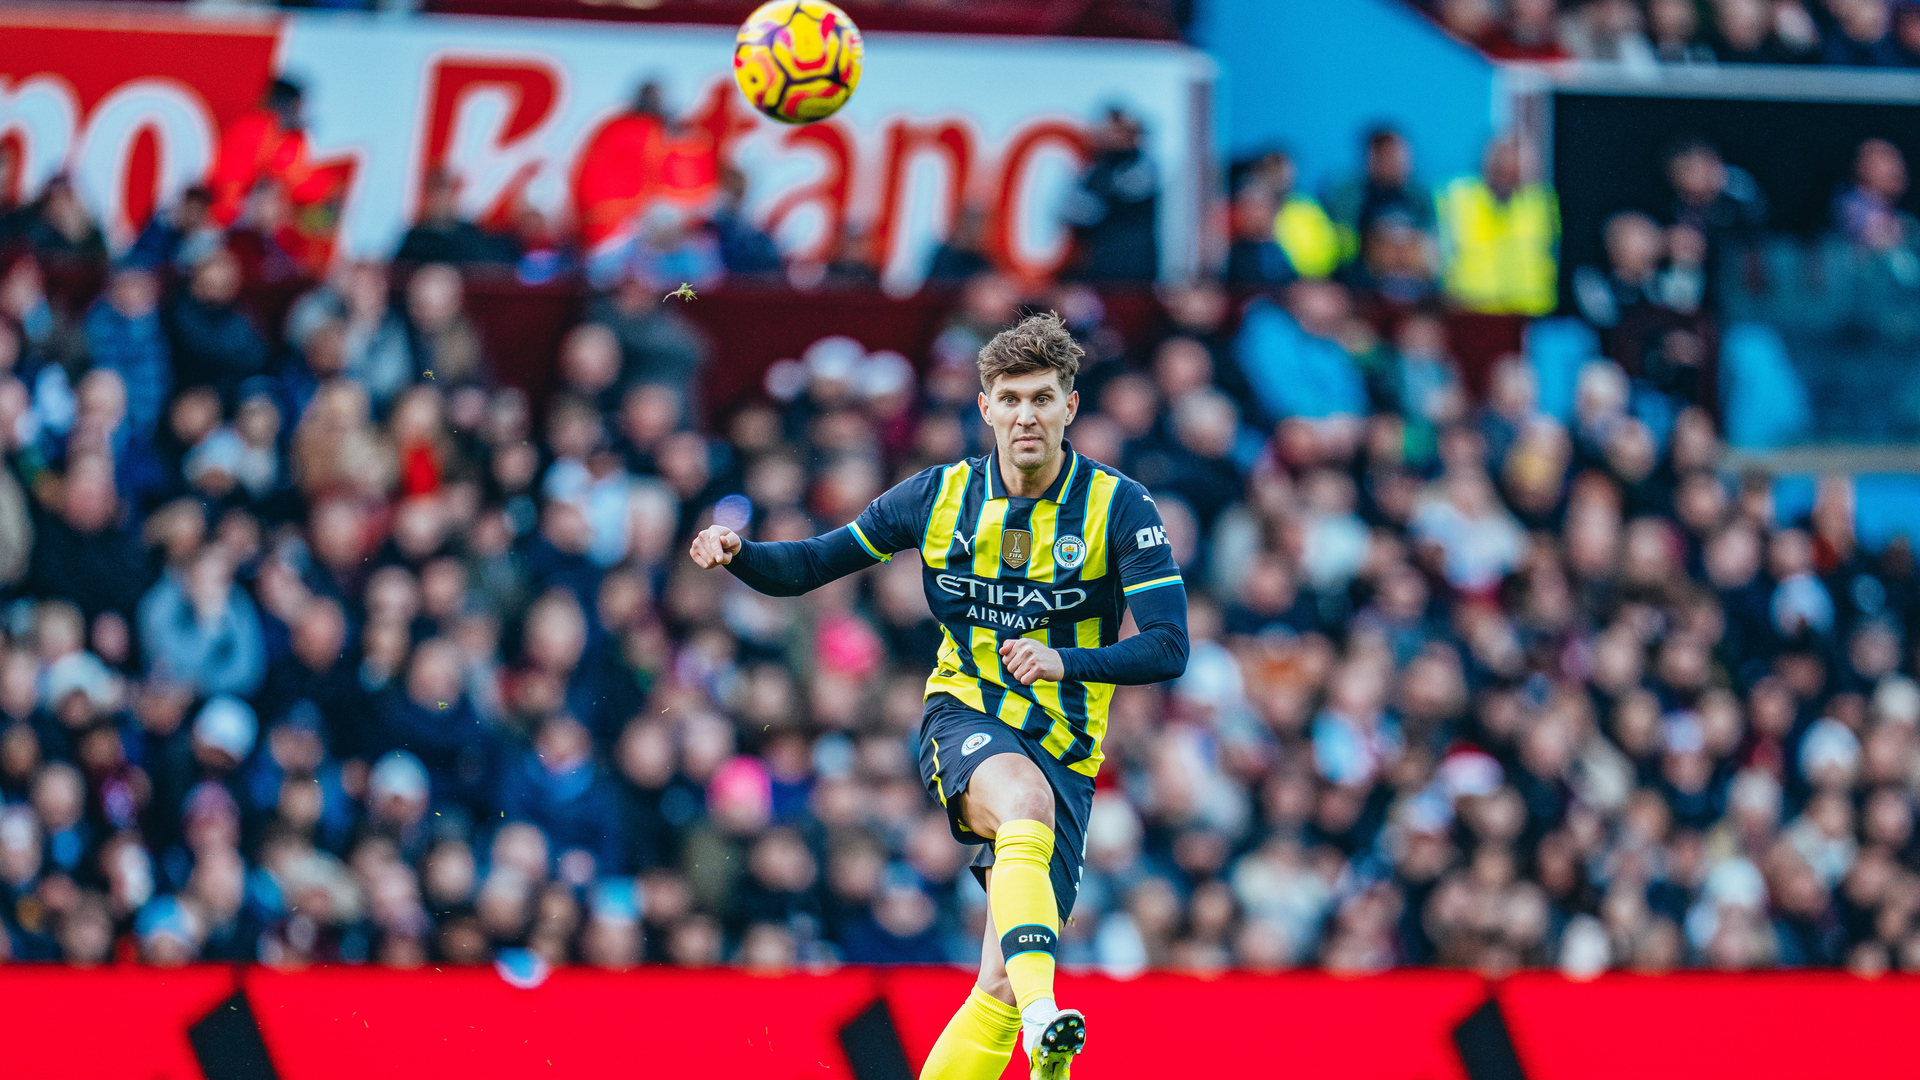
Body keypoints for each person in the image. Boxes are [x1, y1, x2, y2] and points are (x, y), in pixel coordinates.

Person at [689, 312, 1189, 1079]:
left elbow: (1168, 646)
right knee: (1022, 805)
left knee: (995, 981)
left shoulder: (1120, 508)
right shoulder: (938, 496)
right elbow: (812, 565)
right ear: (985, 407)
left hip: (1069, 752)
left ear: (1070, 408)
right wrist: (740, 554)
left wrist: (1064, 663)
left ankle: (1036, 1035)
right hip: (966, 715)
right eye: (1011, 398)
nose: (1027, 415)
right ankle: (1046, 1013)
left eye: (1043, 398)